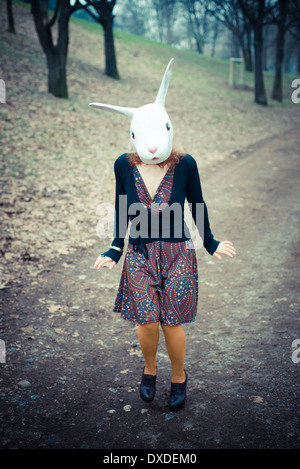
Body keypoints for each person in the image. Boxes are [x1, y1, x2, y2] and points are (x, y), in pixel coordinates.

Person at [91, 59, 236, 411]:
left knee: (172, 324)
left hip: (178, 254)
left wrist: (211, 241)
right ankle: (149, 369)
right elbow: (121, 206)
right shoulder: (123, 165)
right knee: (147, 322)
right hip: (139, 253)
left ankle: (178, 376)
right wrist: (114, 247)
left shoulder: (185, 164)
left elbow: (197, 204)